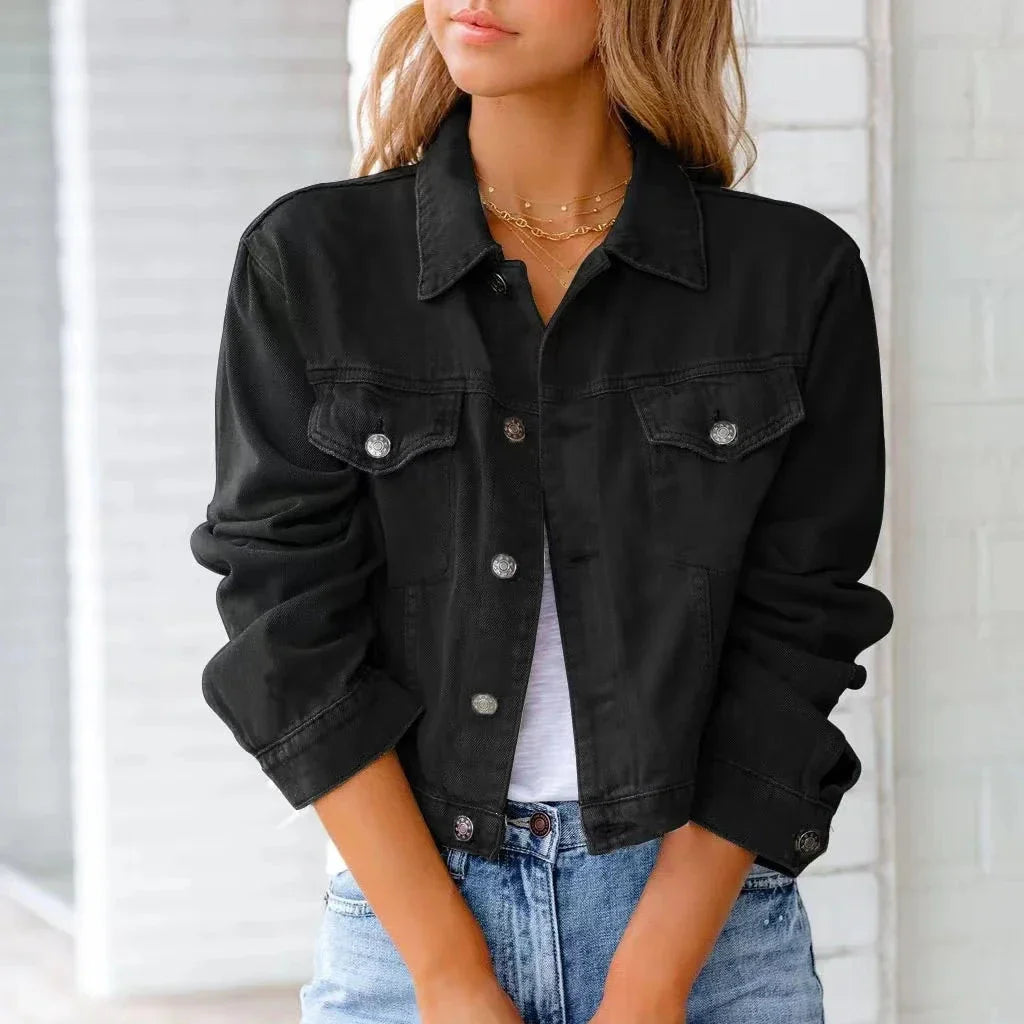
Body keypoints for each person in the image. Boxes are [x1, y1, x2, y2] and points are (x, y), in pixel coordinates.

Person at [189, 2, 895, 1022]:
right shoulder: (312, 260)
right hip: (411, 924)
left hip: (706, 933)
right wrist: (445, 970)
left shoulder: (789, 277)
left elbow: (799, 631)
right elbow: (285, 627)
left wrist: (652, 979)